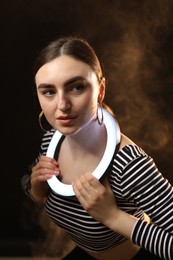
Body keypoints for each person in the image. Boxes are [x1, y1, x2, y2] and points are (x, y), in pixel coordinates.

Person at [21, 35, 173, 260]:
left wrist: (113, 216)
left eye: (76, 87)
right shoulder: (52, 139)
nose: (62, 105)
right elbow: (27, 182)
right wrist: (36, 189)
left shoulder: (128, 164)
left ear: (100, 90)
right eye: (49, 92)